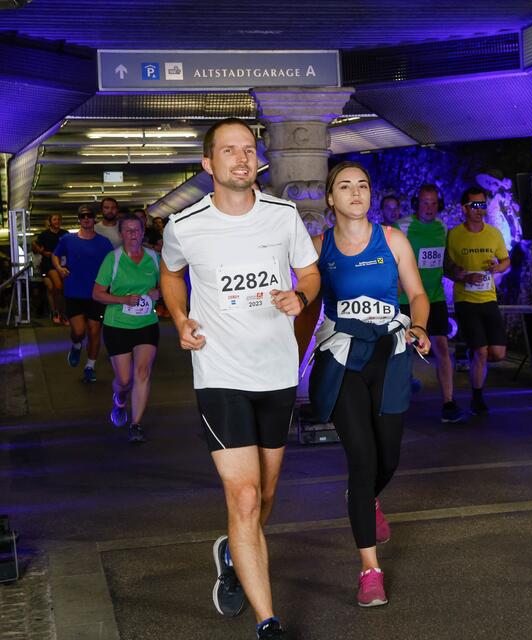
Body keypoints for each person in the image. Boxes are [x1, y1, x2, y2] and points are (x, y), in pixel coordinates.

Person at [160, 117, 319, 640]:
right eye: (229, 151)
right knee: (246, 497)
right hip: (220, 374)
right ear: (208, 165)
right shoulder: (184, 225)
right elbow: (170, 272)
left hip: (275, 373)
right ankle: (267, 622)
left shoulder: (282, 216)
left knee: (266, 494)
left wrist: (301, 296)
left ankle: (233, 549)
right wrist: (181, 318)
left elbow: (310, 272)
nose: (241, 159)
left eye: (248, 149)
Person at [307, 161, 430, 607]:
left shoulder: (393, 240)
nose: (356, 192)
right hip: (342, 358)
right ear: (330, 198)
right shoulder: (319, 247)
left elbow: (416, 293)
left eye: (362, 185)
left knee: (388, 457)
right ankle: (369, 570)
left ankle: (364, 499)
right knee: (362, 460)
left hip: (390, 354)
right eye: (345, 186)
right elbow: (304, 299)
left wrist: (419, 325)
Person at [396, 184, 466, 423]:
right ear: (417, 204)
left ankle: (449, 402)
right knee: (402, 351)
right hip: (406, 299)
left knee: (442, 348)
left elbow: (441, 262)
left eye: (434, 203)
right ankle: (396, 401)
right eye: (425, 203)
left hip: (434, 297)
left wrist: (458, 273)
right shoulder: (403, 227)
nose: (429, 208)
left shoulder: (442, 227)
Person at [92, 213, 161, 444]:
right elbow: (97, 294)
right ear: (121, 234)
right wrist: (123, 300)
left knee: (142, 373)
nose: (133, 234)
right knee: (124, 380)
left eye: (137, 230)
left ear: (143, 232)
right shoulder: (113, 259)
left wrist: (157, 294)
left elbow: (165, 286)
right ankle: (120, 399)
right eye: (128, 230)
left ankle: (136, 424)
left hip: (146, 324)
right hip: (117, 325)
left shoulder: (154, 257)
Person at [444, 186, 510, 415]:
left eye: (483, 205)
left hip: (488, 298)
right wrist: (461, 275)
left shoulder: (493, 233)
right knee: (482, 351)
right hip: (466, 301)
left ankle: (474, 360)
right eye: (475, 205)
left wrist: (497, 267)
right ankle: (477, 397)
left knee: (498, 354)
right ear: (465, 208)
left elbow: (505, 261)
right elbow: (447, 267)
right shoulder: (454, 235)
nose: (480, 210)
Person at [52, 203, 114, 383]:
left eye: (89, 216)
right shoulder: (67, 239)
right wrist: (59, 268)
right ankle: (77, 344)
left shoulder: (104, 242)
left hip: (96, 293)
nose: (86, 219)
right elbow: (55, 255)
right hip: (74, 292)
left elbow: (112, 263)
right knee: (79, 331)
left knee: (94, 331)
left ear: (95, 218)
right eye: (82, 216)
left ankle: (90, 366)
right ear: (79, 220)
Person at [32, 213, 69, 324]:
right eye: (54, 219)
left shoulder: (65, 234)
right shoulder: (44, 234)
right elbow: (34, 243)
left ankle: (59, 312)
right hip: (49, 265)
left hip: (62, 264)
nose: (57, 221)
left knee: (53, 289)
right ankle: (58, 313)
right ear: (50, 222)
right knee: (57, 286)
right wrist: (42, 251)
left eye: (59, 219)